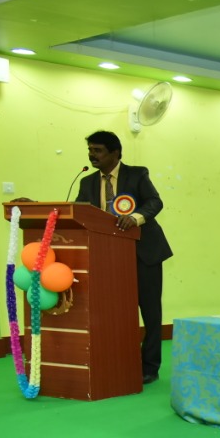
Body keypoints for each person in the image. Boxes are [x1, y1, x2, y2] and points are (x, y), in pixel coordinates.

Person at [75, 131, 172, 384]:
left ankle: (149, 367)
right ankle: (119, 362)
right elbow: (78, 213)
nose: (92, 155)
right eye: (90, 150)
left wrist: (135, 218)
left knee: (150, 312)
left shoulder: (137, 174)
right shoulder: (87, 182)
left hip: (144, 253)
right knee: (114, 312)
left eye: (98, 150)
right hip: (107, 256)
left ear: (115, 153)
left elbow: (154, 202)